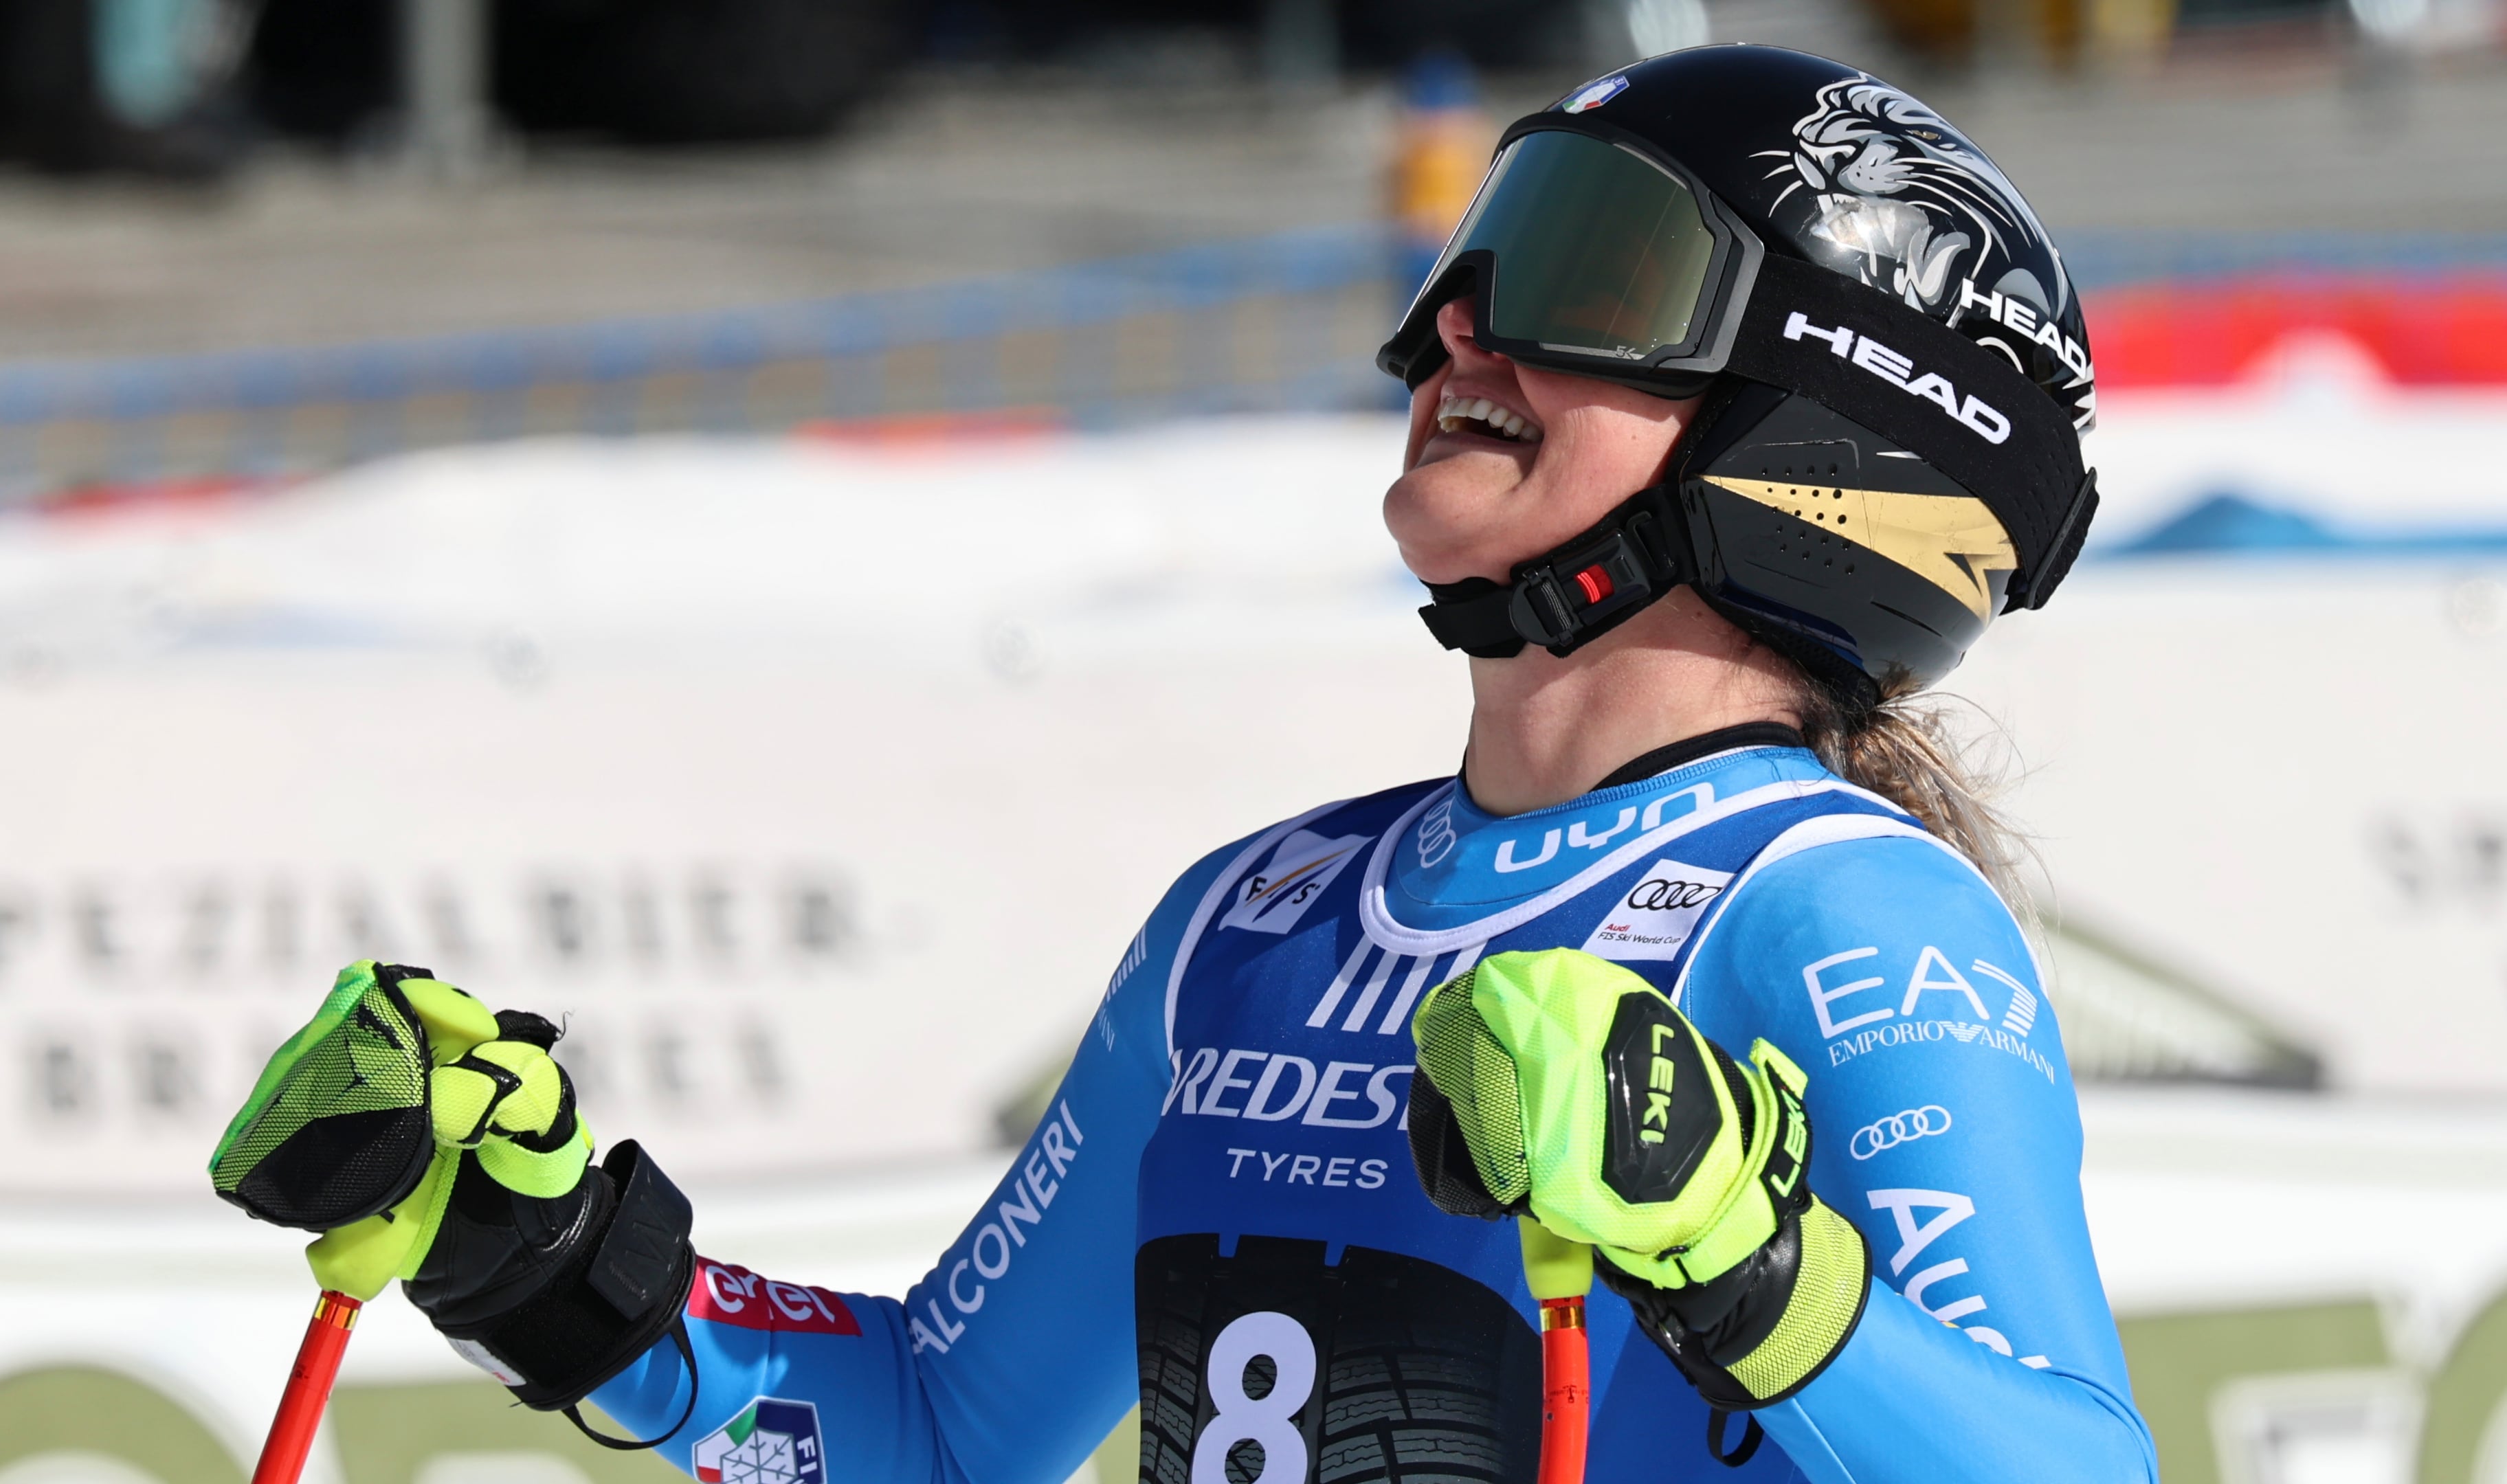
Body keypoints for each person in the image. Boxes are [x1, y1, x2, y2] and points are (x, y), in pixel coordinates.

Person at [210, 45, 2153, 1484]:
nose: (1460, 323)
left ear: (1821, 428)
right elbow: (943, 1429)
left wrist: (1743, 1255)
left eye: (1598, 273)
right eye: (1482, 252)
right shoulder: (1261, 917)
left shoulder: (1842, 914)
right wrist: (550, 1264)